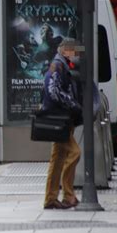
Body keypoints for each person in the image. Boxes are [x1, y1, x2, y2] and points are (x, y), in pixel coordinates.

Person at [42, 38, 82, 209]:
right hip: (59, 118)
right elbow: (53, 91)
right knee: (75, 153)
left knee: (57, 159)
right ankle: (68, 195)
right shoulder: (57, 65)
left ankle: (51, 199)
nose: (77, 55)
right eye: (75, 51)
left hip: (62, 118)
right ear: (66, 50)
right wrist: (73, 104)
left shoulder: (62, 65)